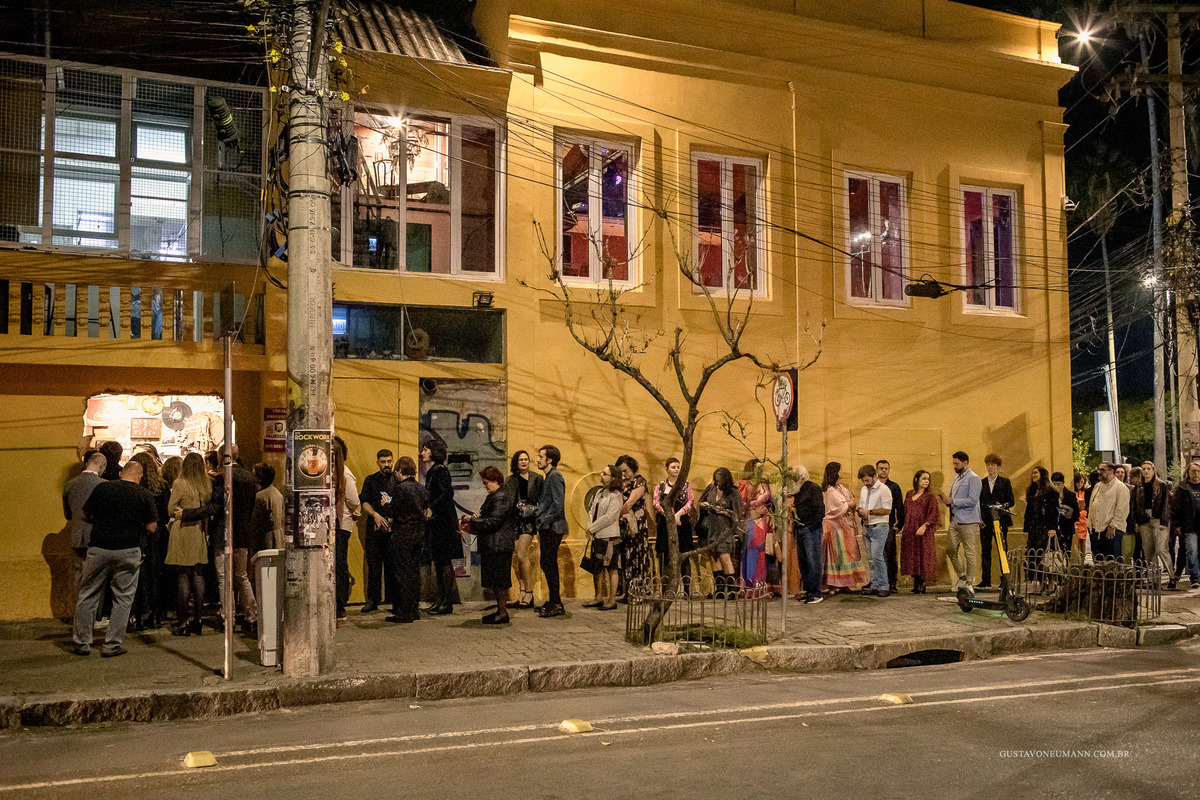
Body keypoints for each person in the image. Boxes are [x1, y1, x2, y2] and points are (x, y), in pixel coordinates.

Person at [72, 460, 158, 657]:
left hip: (99, 548)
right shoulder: (143, 494)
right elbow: (152, 526)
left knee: (88, 595)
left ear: (122, 473)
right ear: (139, 476)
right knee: (123, 597)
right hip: (128, 549)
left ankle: (82, 643)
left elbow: (85, 513)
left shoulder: (102, 488)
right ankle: (112, 644)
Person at [166, 453, 212, 637]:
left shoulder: (179, 483)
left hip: (183, 531)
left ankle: (183, 621)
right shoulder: (206, 484)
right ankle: (199, 618)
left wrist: (180, 511)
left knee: (183, 577)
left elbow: (171, 509)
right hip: (199, 532)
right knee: (198, 574)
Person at [384, 456, 429, 623]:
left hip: (403, 533)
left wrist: (386, 505)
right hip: (419, 533)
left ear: (400, 471)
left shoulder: (401, 488)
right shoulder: (421, 488)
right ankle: (414, 608)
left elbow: (394, 510)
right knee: (414, 571)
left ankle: (404, 611)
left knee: (403, 573)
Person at [472, 466, 517, 624]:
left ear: (495, 481)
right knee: (497, 581)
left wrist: (475, 520)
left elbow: (494, 521)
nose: (485, 486)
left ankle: (502, 612)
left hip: (499, 545)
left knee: (500, 581)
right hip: (494, 544)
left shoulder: (500, 497)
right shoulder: (495, 496)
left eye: (487, 483)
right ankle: (500, 610)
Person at [128, 451, 167, 630]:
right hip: (158, 537)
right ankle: (155, 614)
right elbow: (166, 514)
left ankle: (135, 614)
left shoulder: (133, 489)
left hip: (137, 536)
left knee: (136, 576)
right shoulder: (162, 487)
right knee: (155, 575)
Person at [63, 451, 106, 604]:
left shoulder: (69, 484)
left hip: (76, 536)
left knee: (77, 575)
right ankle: (91, 615)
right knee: (95, 577)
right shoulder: (103, 485)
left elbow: (67, 514)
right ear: (102, 466)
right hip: (96, 537)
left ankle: (77, 611)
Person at [422, 438, 457, 615]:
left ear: (434, 451)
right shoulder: (433, 471)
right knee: (439, 562)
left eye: (426, 449)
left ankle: (446, 601)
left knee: (444, 562)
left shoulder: (439, 470)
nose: (422, 453)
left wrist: (431, 508)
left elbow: (447, 493)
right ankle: (440, 599)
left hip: (444, 523)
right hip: (438, 522)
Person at [359, 449, 396, 614]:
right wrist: (374, 515)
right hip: (374, 530)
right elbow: (364, 502)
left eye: (389, 461)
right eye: (383, 462)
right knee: (373, 566)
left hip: (393, 530)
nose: (387, 465)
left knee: (393, 566)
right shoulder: (371, 480)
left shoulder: (397, 479)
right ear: (377, 462)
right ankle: (372, 600)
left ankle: (394, 600)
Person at [821, 461, 868, 592]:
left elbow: (853, 501)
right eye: (840, 470)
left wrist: (850, 503)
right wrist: (849, 503)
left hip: (845, 527)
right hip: (836, 528)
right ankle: (837, 584)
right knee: (839, 555)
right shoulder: (830, 490)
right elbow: (844, 506)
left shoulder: (841, 488)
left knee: (848, 554)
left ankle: (846, 583)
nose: (842, 472)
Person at [582, 465, 624, 610]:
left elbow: (610, 517)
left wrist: (592, 528)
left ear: (613, 478)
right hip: (597, 536)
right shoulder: (600, 492)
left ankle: (612, 599)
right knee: (597, 567)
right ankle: (598, 596)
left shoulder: (616, 495)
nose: (601, 475)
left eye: (605, 474)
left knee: (611, 567)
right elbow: (591, 510)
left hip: (609, 536)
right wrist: (590, 528)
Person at [698, 467, 744, 598]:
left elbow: (738, 513)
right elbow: (700, 502)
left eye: (720, 479)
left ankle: (731, 590)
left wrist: (723, 511)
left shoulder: (733, 493)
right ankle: (719, 589)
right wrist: (704, 505)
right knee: (713, 557)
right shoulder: (711, 489)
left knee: (725, 557)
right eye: (716, 478)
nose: (717, 481)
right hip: (711, 527)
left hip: (724, 529)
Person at [507, 450, 543, 609]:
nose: (523, 462)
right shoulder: (510, 480)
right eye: (520, 460)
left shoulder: (537, 478)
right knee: (517, 558)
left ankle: (529, 592)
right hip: (514, 521)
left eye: (526, 459)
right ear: (516, 462)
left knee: (522, 554)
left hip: (529, 521)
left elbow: (541, 500)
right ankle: (521, 592)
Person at [534, 444, 568, 618]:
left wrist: (543, 521)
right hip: (549, 526)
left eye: (541, 456)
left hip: (554, 527)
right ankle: (553, 599)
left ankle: (556, 603)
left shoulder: (554, 477)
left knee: (549, 563)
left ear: (550, 459)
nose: (537, 459)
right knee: (546, 563)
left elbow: (557, 504)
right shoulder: (548, 477)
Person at [946, 451, 983, 594]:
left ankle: (969, 581)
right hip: (955, 519)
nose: (954, 466)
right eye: (953, 463)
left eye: (957, 463)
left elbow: (973, 500)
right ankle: (961, 576)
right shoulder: (957, 478)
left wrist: (953, 501)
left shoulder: (974, 478)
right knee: (950, 549)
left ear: (965, 462)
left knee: (969, 552)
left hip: (968, 521)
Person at [653, 457, 694, 583]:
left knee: (684, 556)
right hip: (665, 524)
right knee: (665, 556)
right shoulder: (660, 485)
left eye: (678, 467)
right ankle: (666, 588)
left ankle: (687, 590)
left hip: (682, 523)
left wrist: (678, 515)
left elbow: (690, 501)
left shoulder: (686, 484)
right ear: (667, 469)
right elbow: (656, 502)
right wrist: (668, 515)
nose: (676, 470)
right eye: (673, 467)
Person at [332, 437, 360, 621]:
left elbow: (353, 499)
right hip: (339, 523)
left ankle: (340, 603)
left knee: (340, 563)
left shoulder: (345, 474)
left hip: (342, 525)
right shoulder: (335, 472)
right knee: (337, 563)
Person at [788, 465, 825, 604]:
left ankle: (816, 593)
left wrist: (812, 525)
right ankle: (808, 590)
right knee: (803, 562)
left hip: (810, 529)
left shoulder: (813, 488)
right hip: (801, 528)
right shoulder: (798, 491)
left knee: (812, 560)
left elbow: (820, 510)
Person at [978, 453, 1015, 589]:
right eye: (988, 465)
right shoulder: (981, 483)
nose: (990, 468)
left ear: (998, 467)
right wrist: (979, 519)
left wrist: (1001, 506)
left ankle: (1004, 581)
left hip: (1001, 521)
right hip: (986, 522)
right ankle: (985, 580)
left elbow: (1011, 501)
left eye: (993, 466)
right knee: (985, 550)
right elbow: (979, 502)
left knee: (1002, 550)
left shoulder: (1005, 482)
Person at [856, 464, 892, 597]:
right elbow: (861, 505)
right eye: (863, 481)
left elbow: (887, 509)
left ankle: (884, 585)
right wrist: (860, 511)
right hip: (867, 525)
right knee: (870, 558)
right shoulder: (864, 489)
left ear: (874, 476)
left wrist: (870, 512)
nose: (865, 483)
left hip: (879, 525)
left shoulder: (884, 489)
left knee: (877, 556)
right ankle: (875, 584)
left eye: (867, 480)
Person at [901, 470, 941, 593]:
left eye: (928, 479)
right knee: (912, 556)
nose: (926, 481)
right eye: (924, 478)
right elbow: (905, 511)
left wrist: (925, 525)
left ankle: (922, 583)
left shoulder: (930, 496)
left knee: (923, 555)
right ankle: (915, 581)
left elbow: (934, 513)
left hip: (922, 530)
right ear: (917, 479)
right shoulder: (909, 494)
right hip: (910, 530)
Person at [617, 455, 650, 593]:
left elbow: (631, 502)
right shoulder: (621, 483)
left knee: (636, 556)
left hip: (636, 524)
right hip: (624, 525)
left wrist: (614, 514)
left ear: (632, 468)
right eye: (621, 472)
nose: (624, 474)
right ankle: (627, 591)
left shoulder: (639, 481)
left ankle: (638, 591)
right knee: (625, 557)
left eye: (626, 471)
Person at [738, 459, 772, 588]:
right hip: (751, 519)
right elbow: (741, 503)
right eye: (757, 469)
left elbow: (769, 500)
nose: (760, 471)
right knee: (752, 551)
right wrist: (757, 502)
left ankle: (762, 585)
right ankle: (750, 586)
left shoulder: (764, 482)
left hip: (764, 519)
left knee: (763, 553)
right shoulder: (745, 483)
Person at [1133, 461, 1171, 575]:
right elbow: (1135, 505)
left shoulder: (1161, 485)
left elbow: (1166, 503)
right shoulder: (1138, 487)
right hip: (1144, 521)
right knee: (1148, 552)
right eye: (1143, 469)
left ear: (1153, 470)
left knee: (1160, 549)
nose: (1146, 471)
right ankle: (1152, 577)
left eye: (1148, 469)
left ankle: (1171, 575)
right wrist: (1136, 522)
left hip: (1158, 519)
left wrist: (1164, 521)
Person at [1023, 467, 1058, 584]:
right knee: (1033, 554)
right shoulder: (1032, 491)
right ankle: (1037, 580)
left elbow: (1054, 511)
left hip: (1045, 528)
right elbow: (1028, 512)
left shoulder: (1050, 491)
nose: (1033, 475)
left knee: (1044, 555)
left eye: (1036, 473)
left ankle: (1048, 581)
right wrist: (1026, 529)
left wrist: (1053, 528)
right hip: (1033, 527)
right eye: (1032, 473)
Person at [1089, 461, 1130, 561]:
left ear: (1111, 471)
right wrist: (1090, 522)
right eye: (1099, 470)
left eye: (1102, 470)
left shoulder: (1120, 487)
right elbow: (1092, 504)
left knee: (1112, 562)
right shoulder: (1098, 486)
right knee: (1098, 561)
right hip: (1097, 529)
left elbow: (1122, 509)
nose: (1099, 472)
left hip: (1112, 531)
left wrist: (1113, 525)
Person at [1168, 462, 1200, 590]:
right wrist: (1177, 524)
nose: (1196, 474)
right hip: (1189, 525)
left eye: (1198, 471)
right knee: (1192, 552)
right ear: (1188, 473)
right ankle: (1195, 578)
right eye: (1193, 471)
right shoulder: (1182, 488)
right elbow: (1175, 508)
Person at [875, 460, 905, 594]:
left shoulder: (894, 487)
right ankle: (879, 582)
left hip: (889, 526)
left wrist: (899, 525)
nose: (883, 471)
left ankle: (892, 583)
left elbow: (900, 507)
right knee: (876, 555)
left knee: (890, 555)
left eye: (886, 468)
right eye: (881, 468)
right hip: (874, 525)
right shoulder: (872, 486)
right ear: (876, 470)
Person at [251, 463, 285, 552]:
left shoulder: (260, 496)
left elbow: (255, 521)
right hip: (278, 536)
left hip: (265, 539)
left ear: (259, 479)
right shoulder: (277, 493)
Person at [1049, 472, 1080, 558]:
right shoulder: (1050, 496)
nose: (1056, 487)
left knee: (1065, 554)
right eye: (1054, 484)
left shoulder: (1070, 495)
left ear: (1063, 483)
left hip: (1066, 529)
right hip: (1053, 530)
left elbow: (1076, 514)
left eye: (1058, 484)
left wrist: (1067, 515)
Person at [1073, 472, 1093, 564]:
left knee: (1083, 541)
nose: (1079, 484)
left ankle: (1082, 561)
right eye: (1077, 482)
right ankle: (1077, 561)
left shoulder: (1085, 492)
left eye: (1081, 482)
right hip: (1076, 518)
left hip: (1084, 518)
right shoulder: (1073, 493)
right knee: (1077, 541)